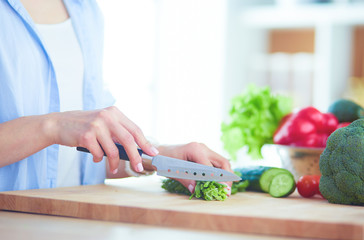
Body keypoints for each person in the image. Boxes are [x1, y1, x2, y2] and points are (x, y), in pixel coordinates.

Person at [0, 0, 233, 194]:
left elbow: (90, 153)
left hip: (74, 222)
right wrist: (51, 127)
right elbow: (63, 129)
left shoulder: (86, 10)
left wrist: (159, 155)